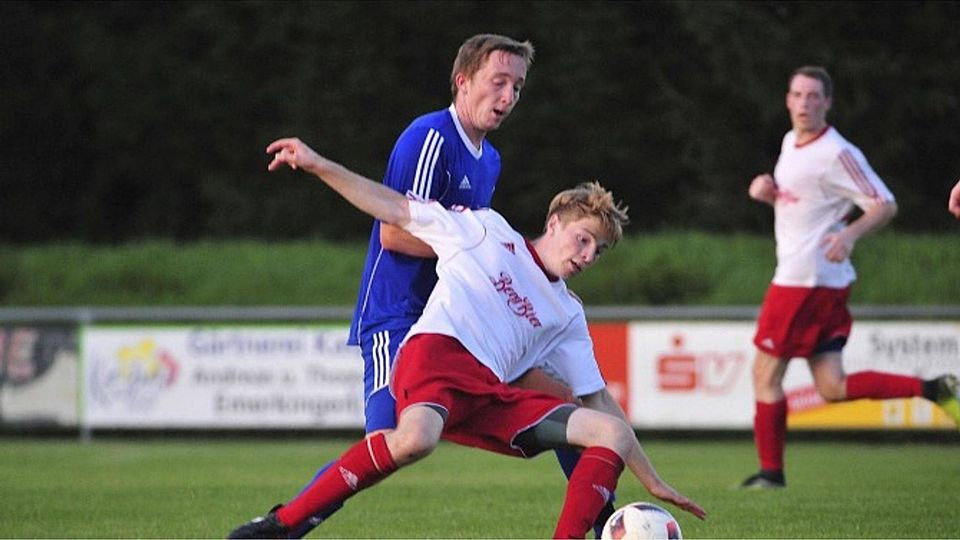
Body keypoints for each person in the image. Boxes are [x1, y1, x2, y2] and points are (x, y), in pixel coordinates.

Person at [227, 137, 707, 539]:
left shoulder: (567, 312)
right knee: (415, 440)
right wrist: (318, 165)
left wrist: (653, 479)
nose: (587, 255)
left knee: (612, 431)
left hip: (490, 393)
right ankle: (282, 525)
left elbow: (598, 396)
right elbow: (395, 207)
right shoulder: (486, 230)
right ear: (554, 221)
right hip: (435, 356)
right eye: (582, 239)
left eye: (598, 251)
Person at [289, 33, 615, 538]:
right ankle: (286, 524)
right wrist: (477, 252)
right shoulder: (432, 137)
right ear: (463, 82)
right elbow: (396, 232)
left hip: (472, 325)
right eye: (498, 82)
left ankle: (608, 523)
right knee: (390, 442)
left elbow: (472, 244)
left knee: (568, 400)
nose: (508, 97)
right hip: (401, 318)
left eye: (518, 87)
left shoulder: (489, 159)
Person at [741, 66, 960, 489]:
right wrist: (770, 195)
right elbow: (809, 208)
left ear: (828, 103)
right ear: (787, 99)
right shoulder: (790, 142)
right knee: (832, 386)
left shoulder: (837, 152)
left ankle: (771, 474)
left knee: (764, 375)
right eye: (798, 95)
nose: (805, 103)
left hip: (804, 281)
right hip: (816, 279)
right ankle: (934, 388)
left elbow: (885, 203)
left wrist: (849, 234)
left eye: (813, 96)